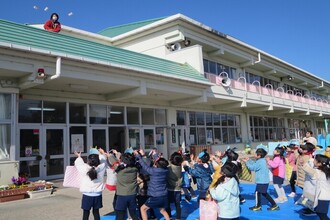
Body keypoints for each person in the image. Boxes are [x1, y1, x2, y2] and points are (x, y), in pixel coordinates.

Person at [134, 149, 170, 220]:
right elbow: (160, 162)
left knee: (143, 209)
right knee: (162, 210)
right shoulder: (165, 170)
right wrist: (155, 154)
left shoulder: (153, 171)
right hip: (164, 195)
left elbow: (144, 166)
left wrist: (138, 156)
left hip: (155, 196)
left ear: (156, 165)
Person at [106, 148, 139, 220]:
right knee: (133, 213)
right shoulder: (135, 169)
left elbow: (114, 162)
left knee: (120, 215)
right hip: (132, 193)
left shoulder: (120, 170)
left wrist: (110, 155)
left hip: (122, 195)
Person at [74, 148, 107, 220]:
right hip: (97, 194)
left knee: (86, 213)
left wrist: (79, 157)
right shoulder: (101, 167)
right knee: (96, 212)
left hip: (87, 195)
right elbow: (104, 160)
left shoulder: (84, 168)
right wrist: (101, 153)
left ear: (88, 161)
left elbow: (78, 164)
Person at [299, 154, 330, 219]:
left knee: (322, 213)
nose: (313, 161)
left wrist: (303, 164)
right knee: (319, 212)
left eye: (315, 160)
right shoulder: (326, 170)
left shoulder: (319, 172)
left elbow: (310, 171)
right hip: (324, 196)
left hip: (323, 197)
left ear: (319, 163)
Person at [166, 152, 183, 220]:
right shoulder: (179, 166)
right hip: (178, 188)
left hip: (170, 188)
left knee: (168, 204)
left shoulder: (169, 167)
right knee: (177, 204)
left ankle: (169, 216)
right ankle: (178, 218)